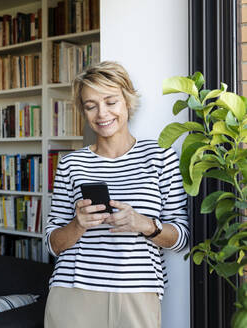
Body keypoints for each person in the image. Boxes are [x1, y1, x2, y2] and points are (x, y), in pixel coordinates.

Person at [44, 61, 189, 328]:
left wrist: (144, 224)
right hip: (73, 291)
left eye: (111, 102)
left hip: (137, 293)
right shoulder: (71, 163)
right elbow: (52, 244)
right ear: (83, 111)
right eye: (91, 106)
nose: (102, 113)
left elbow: (181, 237)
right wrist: (78, 225)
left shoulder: (160, 157)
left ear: (127, 102)